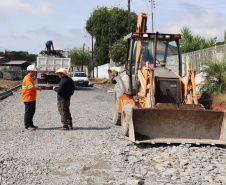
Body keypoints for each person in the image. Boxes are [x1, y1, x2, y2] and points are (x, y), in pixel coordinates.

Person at [22, 65, 42, 130]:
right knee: (28, 112)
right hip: (28, 98)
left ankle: (30, 124)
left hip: (31, 98)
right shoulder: (27, 78)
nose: (35, 73)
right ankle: (27, 125)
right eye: (34, 72)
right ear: (31, 71)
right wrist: (38, 88)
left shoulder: (30, 78)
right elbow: (31, 88)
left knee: (32, 112)